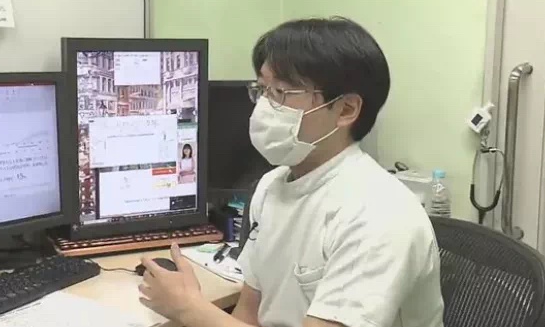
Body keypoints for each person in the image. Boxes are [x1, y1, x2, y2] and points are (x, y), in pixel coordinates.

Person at [137, 17, 444, 327]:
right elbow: (250, 314)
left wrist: (189, 308)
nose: (264, 106)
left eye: (281, 92)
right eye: (262, 89)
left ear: (346, 109)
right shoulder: (271, 187)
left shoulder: (379, 215)